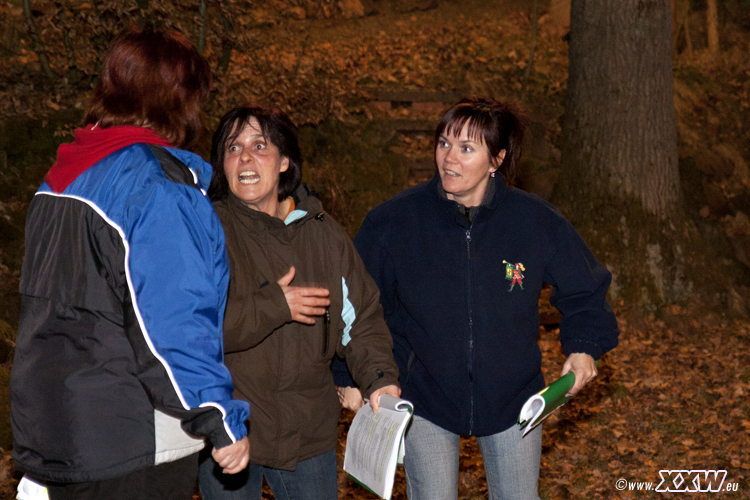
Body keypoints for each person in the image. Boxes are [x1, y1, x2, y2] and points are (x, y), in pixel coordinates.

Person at [10, 26, 250, 500]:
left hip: (55, 428)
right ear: (177, 99)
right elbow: (172, 319)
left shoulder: (61, 179)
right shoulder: (152, 187)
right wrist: (217, 415)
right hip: (131, 436)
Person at [350, 98, 620, 500]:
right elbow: (356, 305)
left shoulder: (534, 221)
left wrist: (584, 347)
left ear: (496, 159)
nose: (448, 158)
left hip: (514, 400)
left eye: (466, 148)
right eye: (443, 143)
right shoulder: (393, 222)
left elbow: (586, 289)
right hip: (423, 396)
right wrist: (350, 378)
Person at [198, 106, 400, 500]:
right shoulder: (206, 228)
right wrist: (275, 304)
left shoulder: (323, 234)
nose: (245, 157)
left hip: (308, 434)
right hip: (230, 426)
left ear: (285, 160)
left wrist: (379, 379)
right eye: (233, 148)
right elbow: (194, 329)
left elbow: (361, 319)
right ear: (222, 165)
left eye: (260, 145)